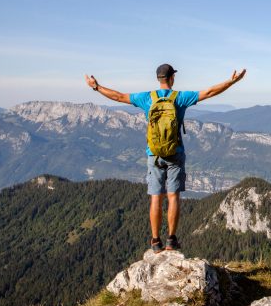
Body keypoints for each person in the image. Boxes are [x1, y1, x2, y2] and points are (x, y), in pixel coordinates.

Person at [84, 64, 246, 252]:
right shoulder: (181, 98)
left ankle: (155, 241)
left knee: (156, 198)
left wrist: (96, 87)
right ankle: (171, 240)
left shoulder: (146, 98)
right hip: (175, 153)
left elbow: (118, 96)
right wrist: (231, 81)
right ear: (172, 78)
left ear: (158, 79)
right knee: (173, 196)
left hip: (153, 154)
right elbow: (209, 92)